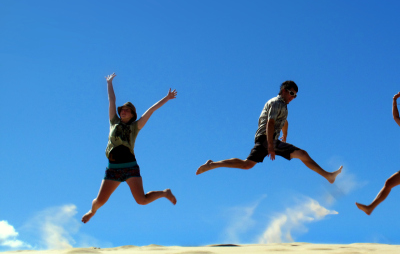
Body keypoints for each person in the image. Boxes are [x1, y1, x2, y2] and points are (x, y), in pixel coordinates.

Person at [196, 81, 342, 183]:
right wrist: (271, 146)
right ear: (284, 90)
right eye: (291, 93)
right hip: (266, 139)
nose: (293, 97)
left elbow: (283, 121)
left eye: (295, 95)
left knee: (247, 165)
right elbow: (270, 123)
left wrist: (285, 134)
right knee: (301, 154)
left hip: (271, 140)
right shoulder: (276, 102)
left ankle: (212, 164)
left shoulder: (283, 107)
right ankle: (328, 175)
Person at [81, 73, 178, 224]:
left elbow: (151, 110)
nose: (123, 112)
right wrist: (109, 83)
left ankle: (165, 193)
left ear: (133, 114)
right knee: (99, 201)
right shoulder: (114, 122)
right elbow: (112, 100)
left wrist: (166, 98)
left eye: (127, 110)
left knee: (142, 200)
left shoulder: (135, 127)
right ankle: (92, 212)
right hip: (112, 169)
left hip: (130, 167)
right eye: (122, 110)